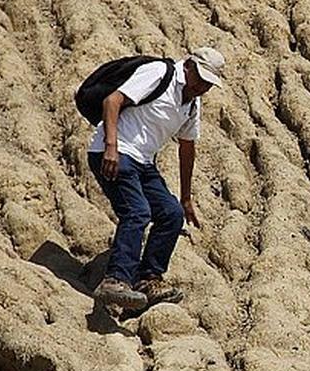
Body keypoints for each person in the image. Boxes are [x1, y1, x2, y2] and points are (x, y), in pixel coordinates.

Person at [87, 47, 225, 313]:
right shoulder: (160, 73)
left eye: (209, 84)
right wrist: (111, 146)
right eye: (202, 79)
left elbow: (187, 148)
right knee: (137, 212)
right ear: (189, 66)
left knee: (171, 214)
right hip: (116, 152)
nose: (203, 87)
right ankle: (115, 280)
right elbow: (112, 101)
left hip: (143, 162)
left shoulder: (192, 104)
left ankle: (147, 280)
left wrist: (185, 198)